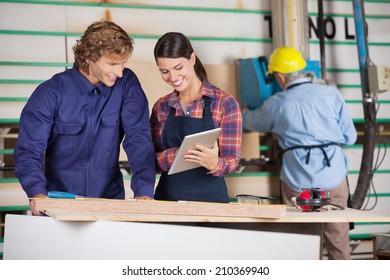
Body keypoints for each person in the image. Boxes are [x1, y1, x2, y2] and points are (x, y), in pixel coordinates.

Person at [13, 20, 155, 215]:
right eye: (112, 63)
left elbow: (139, 139)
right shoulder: (50, 93)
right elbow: (29, 150)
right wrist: (37, 193)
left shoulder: (126, 85)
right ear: (89, 56)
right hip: (58, 204)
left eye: (123, 64)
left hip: (109, 202)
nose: (120, 72)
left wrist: (144, 192)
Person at [242, 46, 357, 259]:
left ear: (279, 76)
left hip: (297, 180)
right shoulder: (330, 93)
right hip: (334, 177)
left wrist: (244, 111)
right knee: (338, 241)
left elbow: (251, 122)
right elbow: (350, 137)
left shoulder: (278, 103)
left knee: (302, 242)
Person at [150, 32, 242, 203]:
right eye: (164, 71)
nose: (173, 77)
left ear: (192, 59)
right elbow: (149, 161)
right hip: (168, 204)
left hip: (212, 205)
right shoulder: (161, 107)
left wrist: (215, 163)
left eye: (178, 68)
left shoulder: (224, 103)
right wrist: (176, 155)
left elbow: (232, 160)